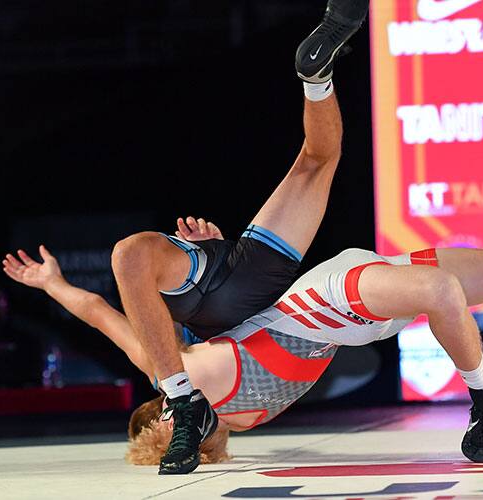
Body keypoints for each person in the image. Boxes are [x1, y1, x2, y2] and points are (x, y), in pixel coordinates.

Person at [3, 244, 483, 467]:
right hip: (345, 313)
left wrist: (55, 284)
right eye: (169, 437)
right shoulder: (237, 425)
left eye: (160, 425)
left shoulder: (171, 372)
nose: (171, 430)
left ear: (157, 414)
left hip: (334, 298)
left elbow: (107, 315)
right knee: (467, 286)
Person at [106, 0, 370, 474]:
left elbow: (99, 314)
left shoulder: (185, 378)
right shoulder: (200, 383)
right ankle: (315, 78)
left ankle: (317, 81)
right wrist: (53, 284)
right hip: (241, 287)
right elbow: (97, 312)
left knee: (319, 163)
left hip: (252, 298)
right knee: (314, 161)